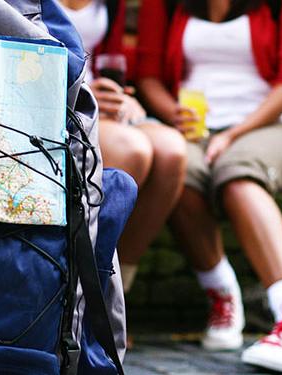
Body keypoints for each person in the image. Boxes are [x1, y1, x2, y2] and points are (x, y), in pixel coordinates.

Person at [136, 0, 282, 372]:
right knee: (176, 173)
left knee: (239, 176)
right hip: (193, 130)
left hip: (268, 126)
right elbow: (148, 74)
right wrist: (173, 112)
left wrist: (235, 133)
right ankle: (223, 295)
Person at [58, 0, 187, 292]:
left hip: (100, 104)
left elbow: (109, 60)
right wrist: (83, 93)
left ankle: (115, 287)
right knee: (135, 151)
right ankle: (82, 286)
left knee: (172, 152)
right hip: (60, 101)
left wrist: (120, 95)